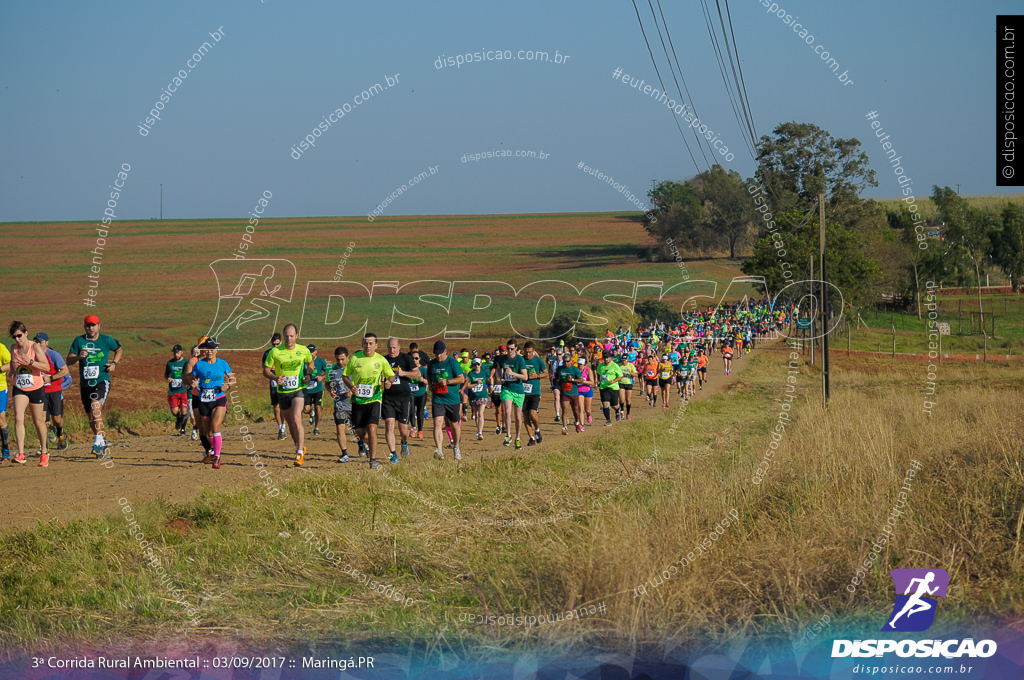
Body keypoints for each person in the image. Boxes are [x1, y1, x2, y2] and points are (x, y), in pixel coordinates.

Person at [66, 314, 122, 459]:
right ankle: (101, 440)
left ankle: (97, 442)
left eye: (93, 325)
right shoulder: (79, 341)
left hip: (102, 380)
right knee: (91, 416)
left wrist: (114, 363)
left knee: (95, 406)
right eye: (88, 325)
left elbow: (119, 349)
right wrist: (79, 357)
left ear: (99, 326)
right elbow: (69, 360)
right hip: (85, 384)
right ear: (84, 327)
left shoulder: (106, 340)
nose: (91, 328)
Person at [262, 324, 315, 466]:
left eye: (291, 336)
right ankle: (299, 446)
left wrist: (308, 375)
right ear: (283, 336)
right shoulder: (275, 352)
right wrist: (274, 378)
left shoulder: (303, 350)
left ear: (297, 336)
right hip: (283, 391)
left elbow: (310, 362)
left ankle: (299, 453)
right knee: (290, 422)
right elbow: (266, 370)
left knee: (297, 418)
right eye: (286, 336)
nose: (289, 339)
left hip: (298, 389)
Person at [342, 332, 395, 469]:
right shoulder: (355, 358)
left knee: (372, 428)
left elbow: (391, 375)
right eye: (365, 343)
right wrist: (351, 386)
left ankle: (373, 459)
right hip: (358, 401)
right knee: (359, 432)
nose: (368, 346)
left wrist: (389, 381)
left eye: (371, 343)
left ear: (376, 345)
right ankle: (365, 443)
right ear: (362, 344)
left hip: (375, 399)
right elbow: (345, 376)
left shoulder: (381, 360)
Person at [185, 337, 233, 469]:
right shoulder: (199, 365)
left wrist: (227, 386)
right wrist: (193, 382)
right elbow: (193, 378)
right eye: (207, 349)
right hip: (204, 400)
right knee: (208, 432)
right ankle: (213, 449)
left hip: (219, 398)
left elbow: (232, 378)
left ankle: (216, 457)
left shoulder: (223, 363)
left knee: (215, 426)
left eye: (212, 349)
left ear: (216, 349)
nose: (209, 351)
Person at [8, 322, 50, 466]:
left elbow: (46, 366)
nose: (17, 339)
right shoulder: (13, 348)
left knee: (38, 422)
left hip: (36, 388)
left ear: (26, 333)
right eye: (15, 337)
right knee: (18, 417)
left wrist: (31, 362)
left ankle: (44, 453)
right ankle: (20, 453)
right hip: (19, 387)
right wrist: (13, 371)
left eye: (19, 335)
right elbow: (14, 364)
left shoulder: (35, 347)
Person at [426, 340, 465, 460]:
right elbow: (428, 375)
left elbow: (461, 379)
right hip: (438, 398)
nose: (438, 356)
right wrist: (431, 385)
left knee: (454, 424)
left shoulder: (452, 362)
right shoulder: (432, 364)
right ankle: (439, 450)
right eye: (436, 354)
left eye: (440, 353)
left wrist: (447, 382)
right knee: (437, 423)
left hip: (452, 399)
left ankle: (456, 447)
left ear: (445, 351)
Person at [382, 338, 417, 461]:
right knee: (389, 425)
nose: (392, 350)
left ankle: (404, 442)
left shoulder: (406, 359)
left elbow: (417, 374)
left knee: (403, 430)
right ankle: (393, 454)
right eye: (390, 348)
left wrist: (404, 373)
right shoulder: (384, 360)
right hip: (388, 399)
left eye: (394, 348)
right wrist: (384, 382)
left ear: (399, 347)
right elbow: (380, 377)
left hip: (404, 399)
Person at [35, 332, 70, 450]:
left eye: (40, 341)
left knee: (57, 419)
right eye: (36, 341)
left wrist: (50, 378)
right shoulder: (33, 356)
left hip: (55, 391)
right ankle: (44, 448)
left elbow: (65, 371)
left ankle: (60, 434)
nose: (38, 344)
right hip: (40, 391)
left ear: (46, 342)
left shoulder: (53, 355)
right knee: (42, 420)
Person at [497, 339, 529, 450]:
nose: (509, 351)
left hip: (519, 390)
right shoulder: (503, 359)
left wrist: (513, 373)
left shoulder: (520, 360)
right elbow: (498, 368)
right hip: (507, 388)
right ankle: (508, 435)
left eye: (511, 349)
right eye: (508, 349)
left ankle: (518, 438)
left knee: (518, 417)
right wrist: (501, 377)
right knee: (507, 411)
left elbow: (525, 377)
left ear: (516, 349)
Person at [327, 347, 353, 462]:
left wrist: (352, 392)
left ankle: (363, 444)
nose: (340, 362)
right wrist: (330, 391)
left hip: (354, 404)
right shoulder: (331, 370)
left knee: (359, 432)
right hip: (340, 405)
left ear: (348, 357)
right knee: (340, 427)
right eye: (338, 360)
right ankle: (344, 454)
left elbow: (362, 383)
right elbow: (327, 383)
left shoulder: (354, 369)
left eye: (342, 359)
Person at [521, 341, 547, 446]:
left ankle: (537, 430)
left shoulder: (538, 361)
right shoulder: (521, 360)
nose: (528, 354)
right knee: (526, 416)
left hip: (535, 391)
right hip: (522, 392)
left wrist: (537, 376)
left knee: (532, 413)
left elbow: (546, 373)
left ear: (533, 351)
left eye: (530, 352)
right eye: (526, 352)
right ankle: (531, 438)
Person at [262, 332, 286, 440]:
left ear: (281, 341)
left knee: (284, 406)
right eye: (274, 345)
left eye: (277, 344)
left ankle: (284, 426)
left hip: (285, 380)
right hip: (273, 380)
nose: (275, 346)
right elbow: (264, 367)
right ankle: (280, 428)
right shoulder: (268, 353)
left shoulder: (286, 351)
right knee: (276, 406)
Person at [302, 344, 328, 435]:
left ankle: (316, 427)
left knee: (318, 407)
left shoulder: (321, 361)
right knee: (305, 409)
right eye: (309, 352)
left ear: (316, 351)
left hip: (318, 388)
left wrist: (322, 377)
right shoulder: (303, 361)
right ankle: (311, 412)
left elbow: (328, 372)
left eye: (313, 351)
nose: (311, 353)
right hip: (307, 389)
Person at [553, 356, 583, 434]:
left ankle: (577, 423)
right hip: (564, 393)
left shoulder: (575, 369)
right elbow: (556, 378)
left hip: (574, 393)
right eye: (565, 361)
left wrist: (572, 380)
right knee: (565, 409)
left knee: (576, 410)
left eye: (568, 361)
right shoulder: (559, 369)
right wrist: (557, 382)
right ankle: (564, 428)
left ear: (571, 361)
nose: (566, 363)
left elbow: (581, 380)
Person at [165, 344, 189, 437]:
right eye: (175, 353)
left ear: (182, 352)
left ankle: (183, 429)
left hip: (183, 390)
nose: (176, 355)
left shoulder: (186, 362)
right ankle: (178, 418)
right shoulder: (170, 363)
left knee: (184, 411)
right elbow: (166, 374)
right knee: (174, 411)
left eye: (178, 353)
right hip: (173, 391)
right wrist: (168, 378)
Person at [464, 357, 490, 440]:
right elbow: (467, 386)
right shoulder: (471, 374)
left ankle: (480, 432)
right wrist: (475, 384)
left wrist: (492, 385)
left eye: (478, 364)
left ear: (481, 364)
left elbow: (490, 378)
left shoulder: (484, 371)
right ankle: (478, 429)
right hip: (473, 396)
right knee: (476, 414)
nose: (477, 366)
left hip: (483, 395)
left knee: (480, 413)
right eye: (475, 365)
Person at [596, 353, 623, 426]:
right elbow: (598, 374)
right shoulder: (600, 366)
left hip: (613, 388)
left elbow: (620, 376)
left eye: (607, 357)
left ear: (611, 358)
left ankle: (617, 410)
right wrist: (598, 380)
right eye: (604, 357)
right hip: (603, 387)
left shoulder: (615, 366)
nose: (606, 359)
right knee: (605, 403)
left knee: (614, 405)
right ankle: (608, 420)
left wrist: (614, 381)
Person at [409, 351, 428, 439]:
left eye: (416, 358)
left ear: (419, 359)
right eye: (412, 358)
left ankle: (420, 431)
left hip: (421, 393)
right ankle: (413, 428)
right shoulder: (408, 368)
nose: (414, 360)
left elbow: (429, 382)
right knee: (411, 411)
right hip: (411, 393)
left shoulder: (423, 370)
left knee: (419, 413)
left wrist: (423, 380)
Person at [617, 354, 636, 420]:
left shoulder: (631, 365)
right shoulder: (619, 366)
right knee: (621, 399)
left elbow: (636, 374)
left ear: (628, 360)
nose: (624, 362)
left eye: (625, 360)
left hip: (629, 383)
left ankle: (628, 413)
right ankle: (622, 410)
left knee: (628, 400)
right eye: (623, 360)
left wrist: (631, 373)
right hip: (621, 383)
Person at [576, 357, 594, 426]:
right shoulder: (576, 371)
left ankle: (588, 415)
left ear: (584, 364)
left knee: (587, 409)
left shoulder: (588, 370)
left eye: (581, 364)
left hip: (588, 391)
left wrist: (584, 381)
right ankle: (582, 425)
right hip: (579, 391)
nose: (580, 366)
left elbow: (592, 382)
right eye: (578, 364)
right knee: (581, 408)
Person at [0, 340, 10, 460]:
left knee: (1, 419)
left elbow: (11, 363)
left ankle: (5, 448)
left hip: (0, 389)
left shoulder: (1, 347)